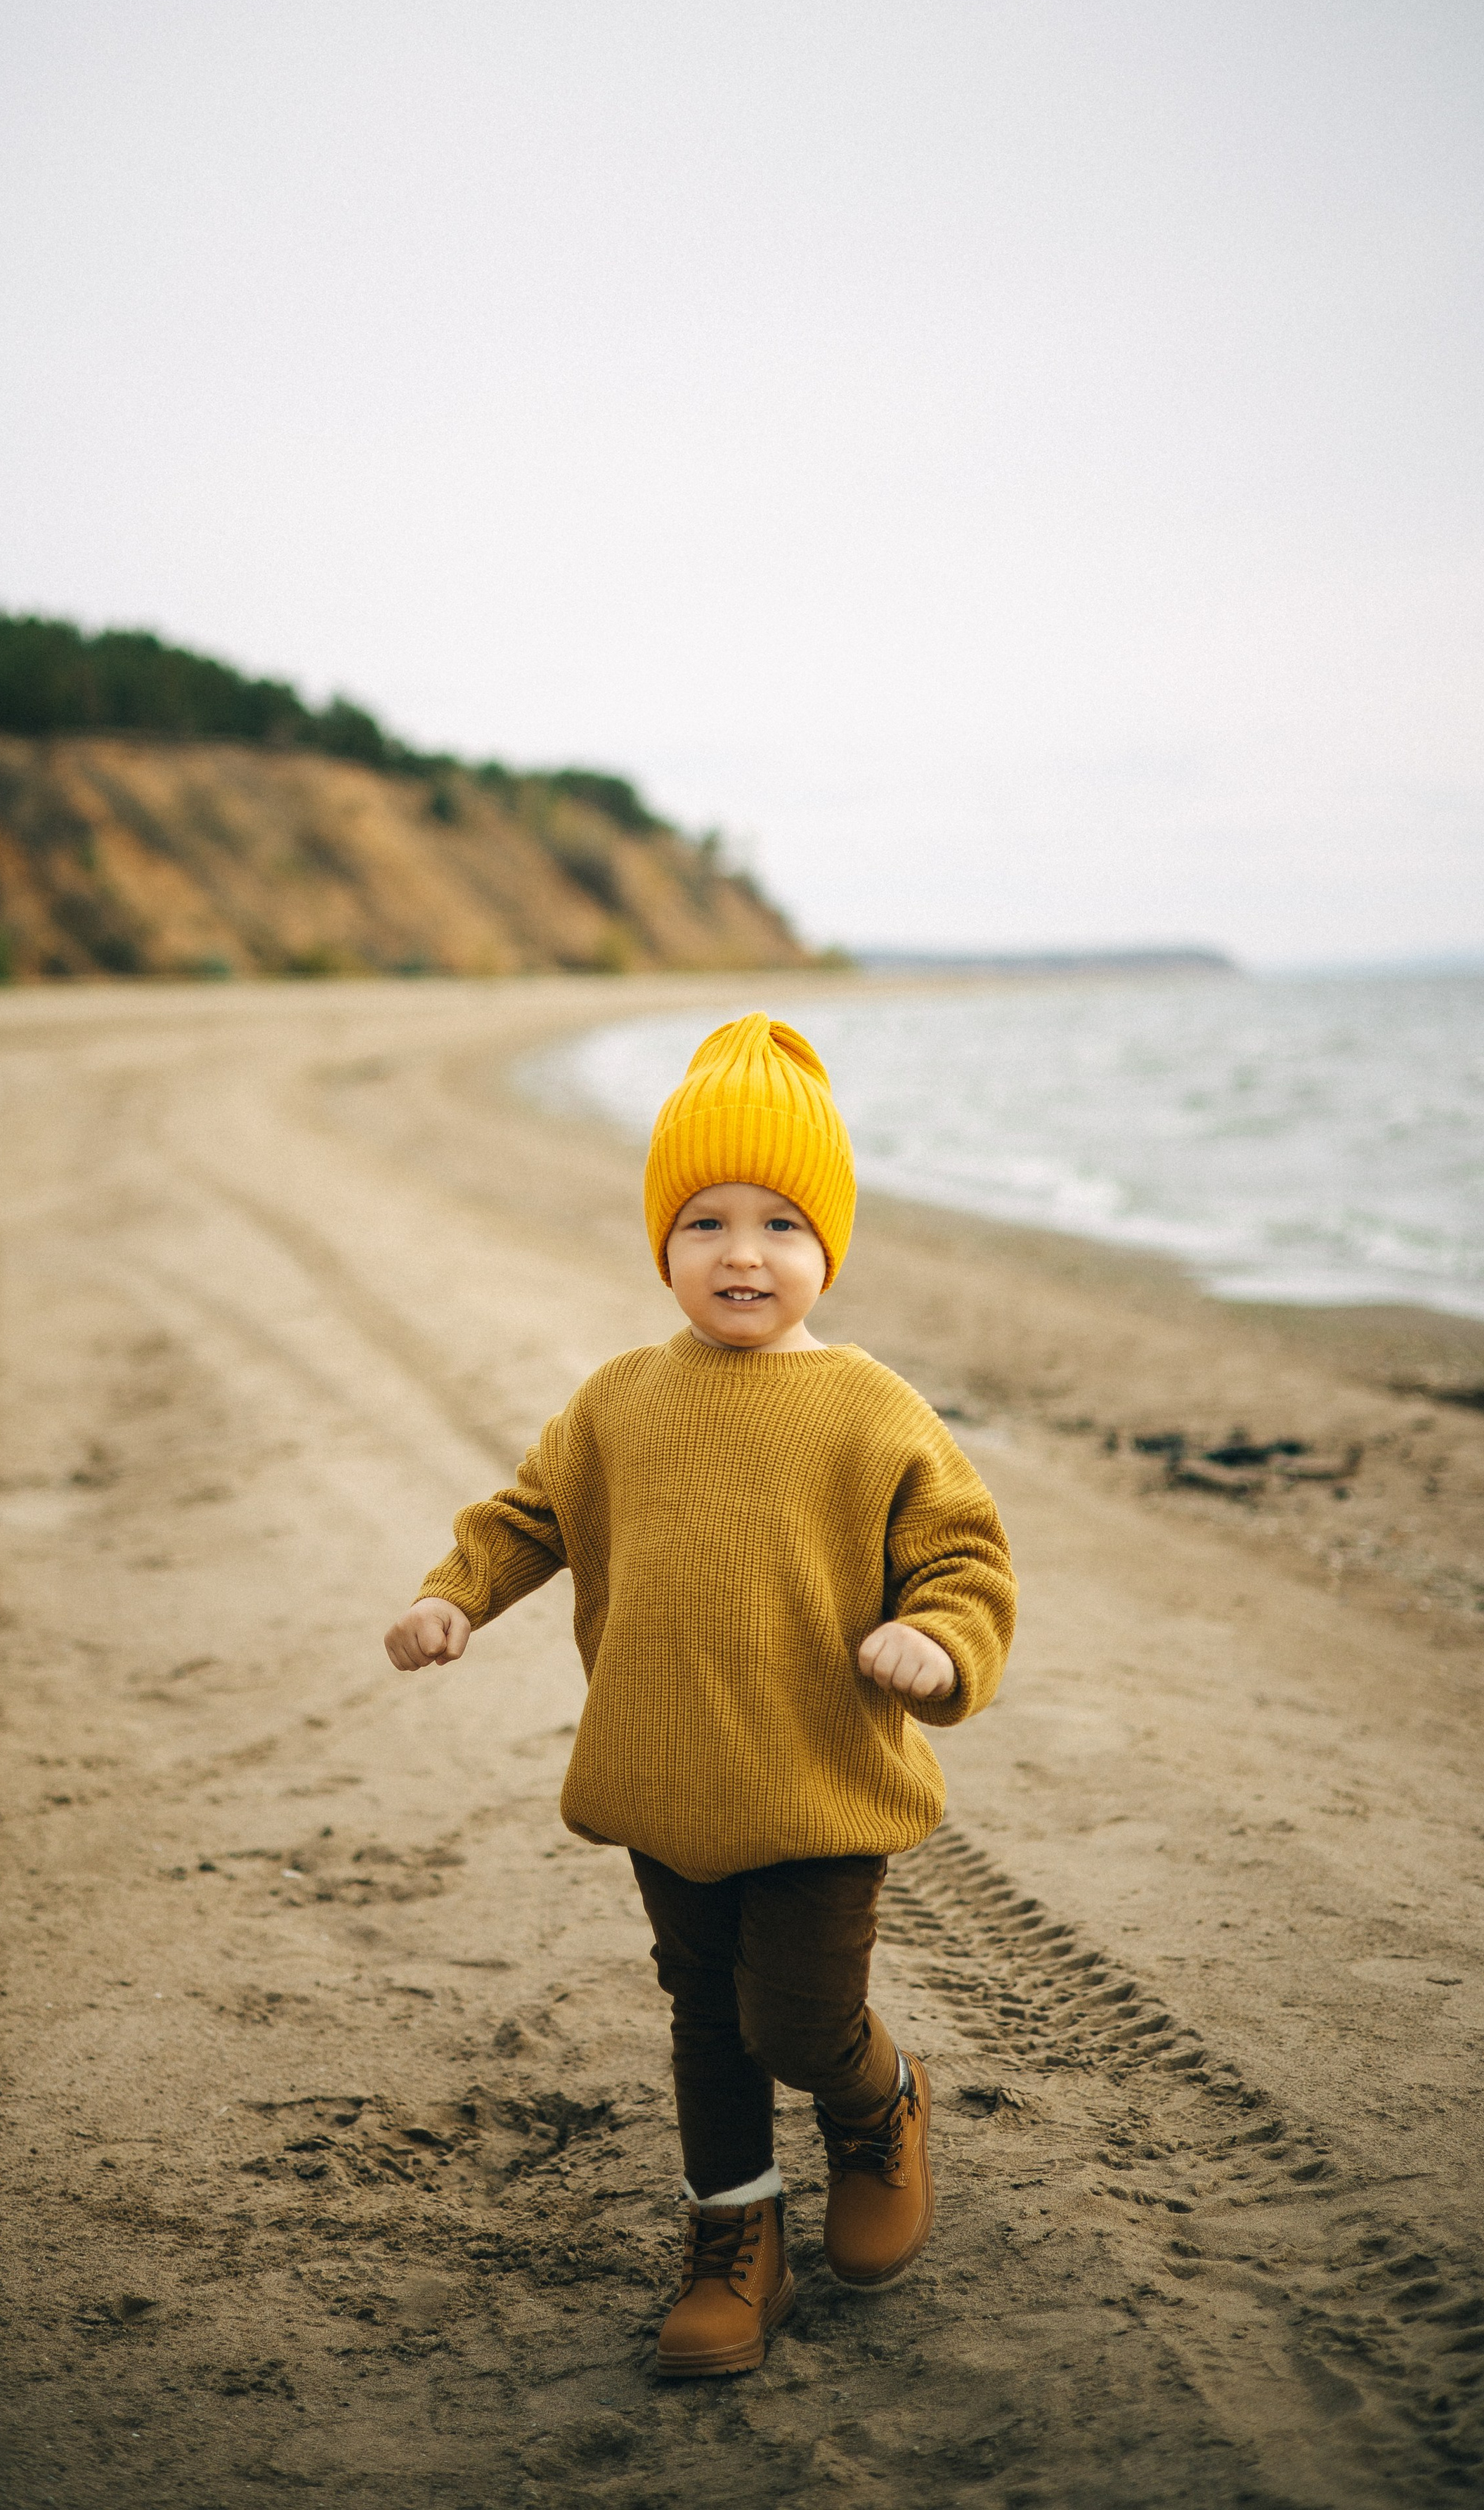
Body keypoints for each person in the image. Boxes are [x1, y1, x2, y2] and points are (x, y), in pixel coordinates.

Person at [384, 1013, 1017, 2376]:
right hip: (666, 1784)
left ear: (827, 1249)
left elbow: (962, 1553)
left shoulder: (869, 1409)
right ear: (662, 1245)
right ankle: (734, 2241)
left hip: (816, 1784)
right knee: (702, 2019)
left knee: (791, 2020)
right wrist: (455, 1593)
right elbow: (526, 1514)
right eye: (705, 1222)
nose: (741, 1252)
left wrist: (937, 1642)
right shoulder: (617, 1400)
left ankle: (875, 2101)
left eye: (782, 1224)